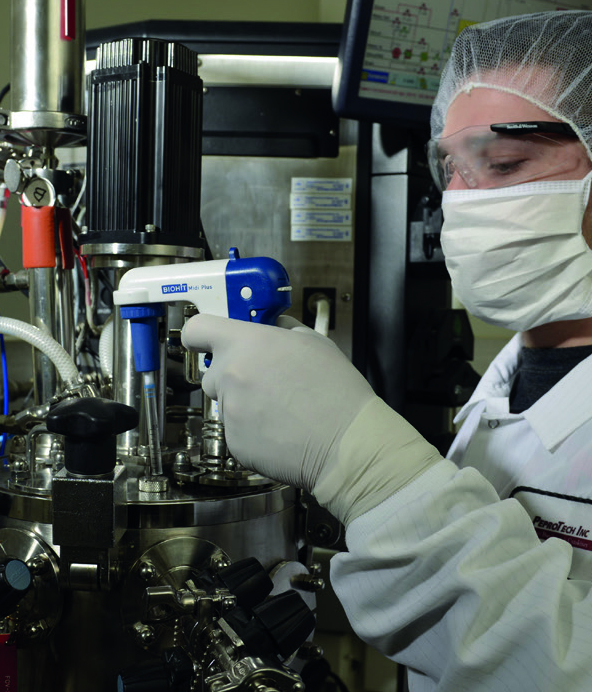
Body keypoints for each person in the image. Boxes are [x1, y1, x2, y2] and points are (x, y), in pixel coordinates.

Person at [182, 11, 592, 691]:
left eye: (502, 164)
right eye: (450, 170)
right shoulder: (507, 385)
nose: (459, 203)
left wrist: (369, 471)